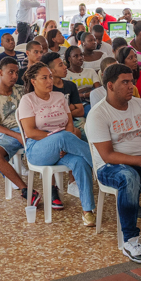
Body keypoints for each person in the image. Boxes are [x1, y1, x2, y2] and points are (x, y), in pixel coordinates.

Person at [87, 64, 141, 264]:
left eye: (132, 81)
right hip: (110, 168)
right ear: (110, 86)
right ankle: (130, 240)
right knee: (129, 177)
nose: (131, 86)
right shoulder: (98, 114)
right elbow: (108, 155)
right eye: (125, 82)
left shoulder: (139, 104)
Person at [18, 62, 97, 225]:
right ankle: (100, 164)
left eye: (51, 77)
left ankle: (88, 211)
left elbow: (69, 123)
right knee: (61, 137)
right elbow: (30, 132)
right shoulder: (27, 100)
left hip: (63, 145)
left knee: (80, 161)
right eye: (44, 78)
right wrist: (57, 141)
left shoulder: (60, 97)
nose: (49, 81)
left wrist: (62, 143)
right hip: (38, 149)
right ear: (33, 81)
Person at [0, 61, 34, 203]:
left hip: (26, 128)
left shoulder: (22, 91)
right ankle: (25, 189)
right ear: (0, 73)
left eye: (17, 73)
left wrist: (26, 131)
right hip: (7, 133)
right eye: (11, 72)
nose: (15, 76)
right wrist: (17, 135)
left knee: (50, 141)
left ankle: (53, 186)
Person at [41, 52, 84, 120]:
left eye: (64, 64)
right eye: (61, 65)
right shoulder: (46, 89)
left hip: (73, 121)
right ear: (51, 71)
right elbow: (48, 115)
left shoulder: (71, 85)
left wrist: (61, 112)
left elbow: (80, 111)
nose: (65, 67)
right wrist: (70, 108)